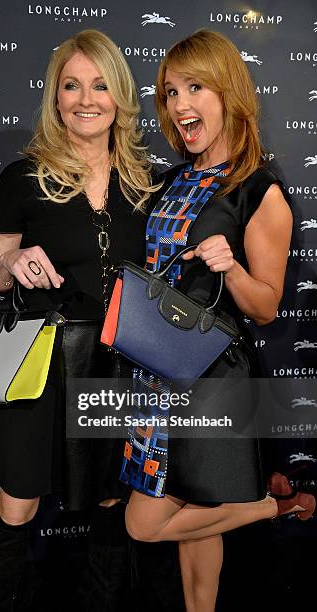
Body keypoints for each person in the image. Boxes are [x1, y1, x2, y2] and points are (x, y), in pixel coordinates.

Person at [120, 30, 315, 612]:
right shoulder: (174, 179)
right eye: (171, 91)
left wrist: (230, 267)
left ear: (229, 91)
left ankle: (278, 506)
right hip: (153, 376)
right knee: (195, 522)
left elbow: (266, 305)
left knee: (143, 523)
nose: (179, 105)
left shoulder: (260, 190)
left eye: (195, 87)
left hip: (210, 379)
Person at [0, 29, 159, 611]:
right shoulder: (21, 177)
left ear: (121, 96)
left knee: (109, 501)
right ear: (55, 97)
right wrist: (11, 262)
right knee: (19, 501)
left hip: (118, 366)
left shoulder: (149, 181)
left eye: (100, 85)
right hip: (42, 363)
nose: (86, 99)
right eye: (72, 85)